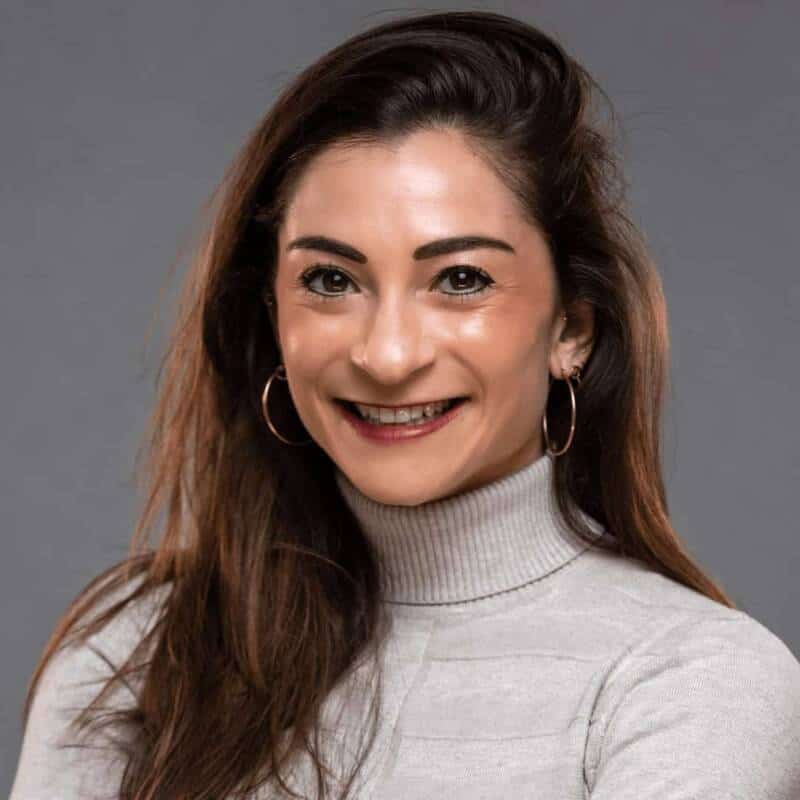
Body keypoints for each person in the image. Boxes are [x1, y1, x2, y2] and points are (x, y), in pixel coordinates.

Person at [10, 10, 800, 799]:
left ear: (571, 329)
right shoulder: (136, 652)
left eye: (461, 280)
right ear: (272, 317)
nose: (387, 356)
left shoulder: (694, 684)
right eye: (331, 281)